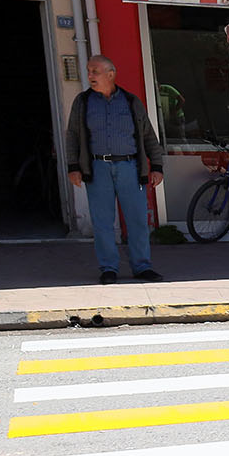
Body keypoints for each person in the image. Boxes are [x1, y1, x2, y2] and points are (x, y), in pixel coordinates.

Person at [66, 55, 165, 285]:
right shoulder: (83, 102)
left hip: (130, 166)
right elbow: (72, 136)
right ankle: (108, 268)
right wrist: (73, 167)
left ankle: (142, 266)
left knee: (138, 220)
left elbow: (148, 135)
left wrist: (157, 166)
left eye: (95, 71)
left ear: (111, 74)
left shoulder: (131, 102)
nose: (90, 76)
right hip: (97, 167)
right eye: (89, 71)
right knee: (102, 222)